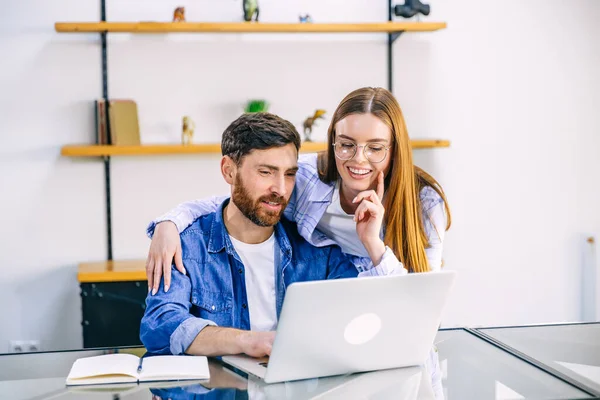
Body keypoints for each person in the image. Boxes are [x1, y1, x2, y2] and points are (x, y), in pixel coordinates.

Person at [140, 112, 406, 357]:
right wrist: (249, 341)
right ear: (228, 170)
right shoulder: (185, 245)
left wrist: (373, 242)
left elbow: (371, 321)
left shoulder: (317, 251)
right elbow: (160, 326)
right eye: (266, 172)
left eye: (289, 174)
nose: (280, 189)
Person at [144, 86, 451, 294]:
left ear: (394, 149)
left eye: (375, 148)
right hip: (336, 311)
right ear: (332, 141)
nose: (358, 159)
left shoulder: (423, 202)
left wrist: (373, 244)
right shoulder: (304, 177)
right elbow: (233, 199)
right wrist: (168, 224)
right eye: (346, 145)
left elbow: (417, 307)